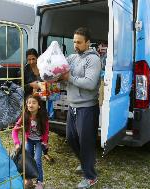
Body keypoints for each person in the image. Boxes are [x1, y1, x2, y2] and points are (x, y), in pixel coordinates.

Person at [60, 27, 101, 188]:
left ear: (88, 43)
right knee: (71, 138)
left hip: (87, 107)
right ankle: (85, 163)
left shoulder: (93, 59)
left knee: (86, 142)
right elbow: (62, 74)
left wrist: (69, 77)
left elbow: (90, 84)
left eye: (79, 42)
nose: (75, 45)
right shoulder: (72, 57)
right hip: (73, 106)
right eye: (74, 41)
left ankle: (90, 176)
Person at [12, 95, 49, 189]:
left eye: (33, 102)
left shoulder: (43, 117)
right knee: (28, 160)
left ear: (39, 105)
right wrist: (17, 143)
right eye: (28, 102)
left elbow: (46, 130)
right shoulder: (24, 116)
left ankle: (40, 182)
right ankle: (28, 180)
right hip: (29, 140)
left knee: (37, 161)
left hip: (39, 142)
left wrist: (44, 142)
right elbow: (14, 130)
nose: (30, 104)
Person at [24, 48, 55, 163]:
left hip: (42, 101)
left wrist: (46, 86)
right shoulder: (25, 70)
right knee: (31, 126)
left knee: (43, 124)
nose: (31, 61)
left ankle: (44, 150)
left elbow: (49, 81)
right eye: (29, 59)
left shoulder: (43, 67)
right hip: (31, 102)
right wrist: (30, 85)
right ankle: (31, 151)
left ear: (37, 58)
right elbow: (19, 87)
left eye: (33, 59)